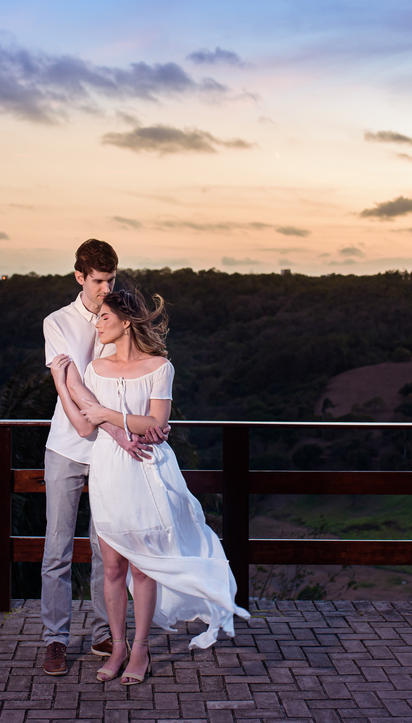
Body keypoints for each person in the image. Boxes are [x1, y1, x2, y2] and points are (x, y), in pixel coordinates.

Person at [49, 286, 248, 686]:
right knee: (110, 566)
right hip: (108, 470)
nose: (98, 324)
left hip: (146, 471)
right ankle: (117, 646)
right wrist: (59, 379)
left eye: (104, 317)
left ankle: (139, 650)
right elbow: (84, 423)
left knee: (142, 568)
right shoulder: (95, 369)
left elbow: (156, 424)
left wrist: (109, 412)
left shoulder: (160, 367)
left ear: (125, 321)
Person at [40, 240, 168, 677]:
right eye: (98, 280)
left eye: (111, 280)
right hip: (67, 445)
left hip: (112, 455)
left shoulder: (115, 316)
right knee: (57, 547)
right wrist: (122, 429)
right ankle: (54, 639)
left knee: (105, 550)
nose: (105, 287)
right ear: (80, 277)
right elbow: (75, 383)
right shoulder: (57, 322)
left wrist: (146, 426)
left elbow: (133, 379)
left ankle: (104, 633)